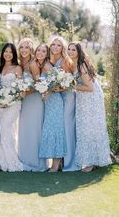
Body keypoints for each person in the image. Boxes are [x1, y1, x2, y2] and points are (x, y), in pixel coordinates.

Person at [68, 42, 112, 172]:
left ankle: (91, 162)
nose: (70, 52)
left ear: (79, 52)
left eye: (73, 50)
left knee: (89, 127)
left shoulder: (81, 66)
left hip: (90, 99)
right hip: (85, 98)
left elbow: (90, 87)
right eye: (69, 49)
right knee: (88, 127)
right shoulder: (75, 64)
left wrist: (72, 86)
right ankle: (96, 159)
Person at [50, 36, 79, 172]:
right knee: (61, 129)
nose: (55, 47)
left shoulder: (66, 61)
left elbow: (72, 81)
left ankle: (70, 163)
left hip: (68, 98)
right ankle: (60, 161)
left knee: (67, 128)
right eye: (53, 45)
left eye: (58, 45)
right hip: (58, 99)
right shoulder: (51, 60)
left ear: (62, 48)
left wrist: (61, 88)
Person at [36, 44, 66, 172]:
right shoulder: (42, 65)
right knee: (50, 129)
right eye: (39, 51)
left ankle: (56, 164)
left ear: (47, 54)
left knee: (55, 129)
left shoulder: (47, 66)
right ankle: (55, 163)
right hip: (48, 102)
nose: (41, 53)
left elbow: (60, 82)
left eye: (44, 51)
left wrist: (51, 90)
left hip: (54, 101)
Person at [18, 38, 47, 171]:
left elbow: (39, 85)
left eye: (27, 48)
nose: (24, 50)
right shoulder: (20, 63)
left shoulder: (33, 64)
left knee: (34, 130)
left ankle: (36, 163)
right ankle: (24, 159)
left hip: (34, 100)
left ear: (31, 50)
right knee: (25, 129)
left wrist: (26, 92)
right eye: (21, 47)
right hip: (25, 102)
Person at [0, 43, 23, 172]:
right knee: (4, 131)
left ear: (14, 54)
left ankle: (13, 162)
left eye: (10, 52)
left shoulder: (17, 68)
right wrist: (0, 100)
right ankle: (3, 162)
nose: (8, 54)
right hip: (1, 105)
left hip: (14, 103)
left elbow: (20, 89)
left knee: (5, 128)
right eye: (5, 51)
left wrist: (9, 100)